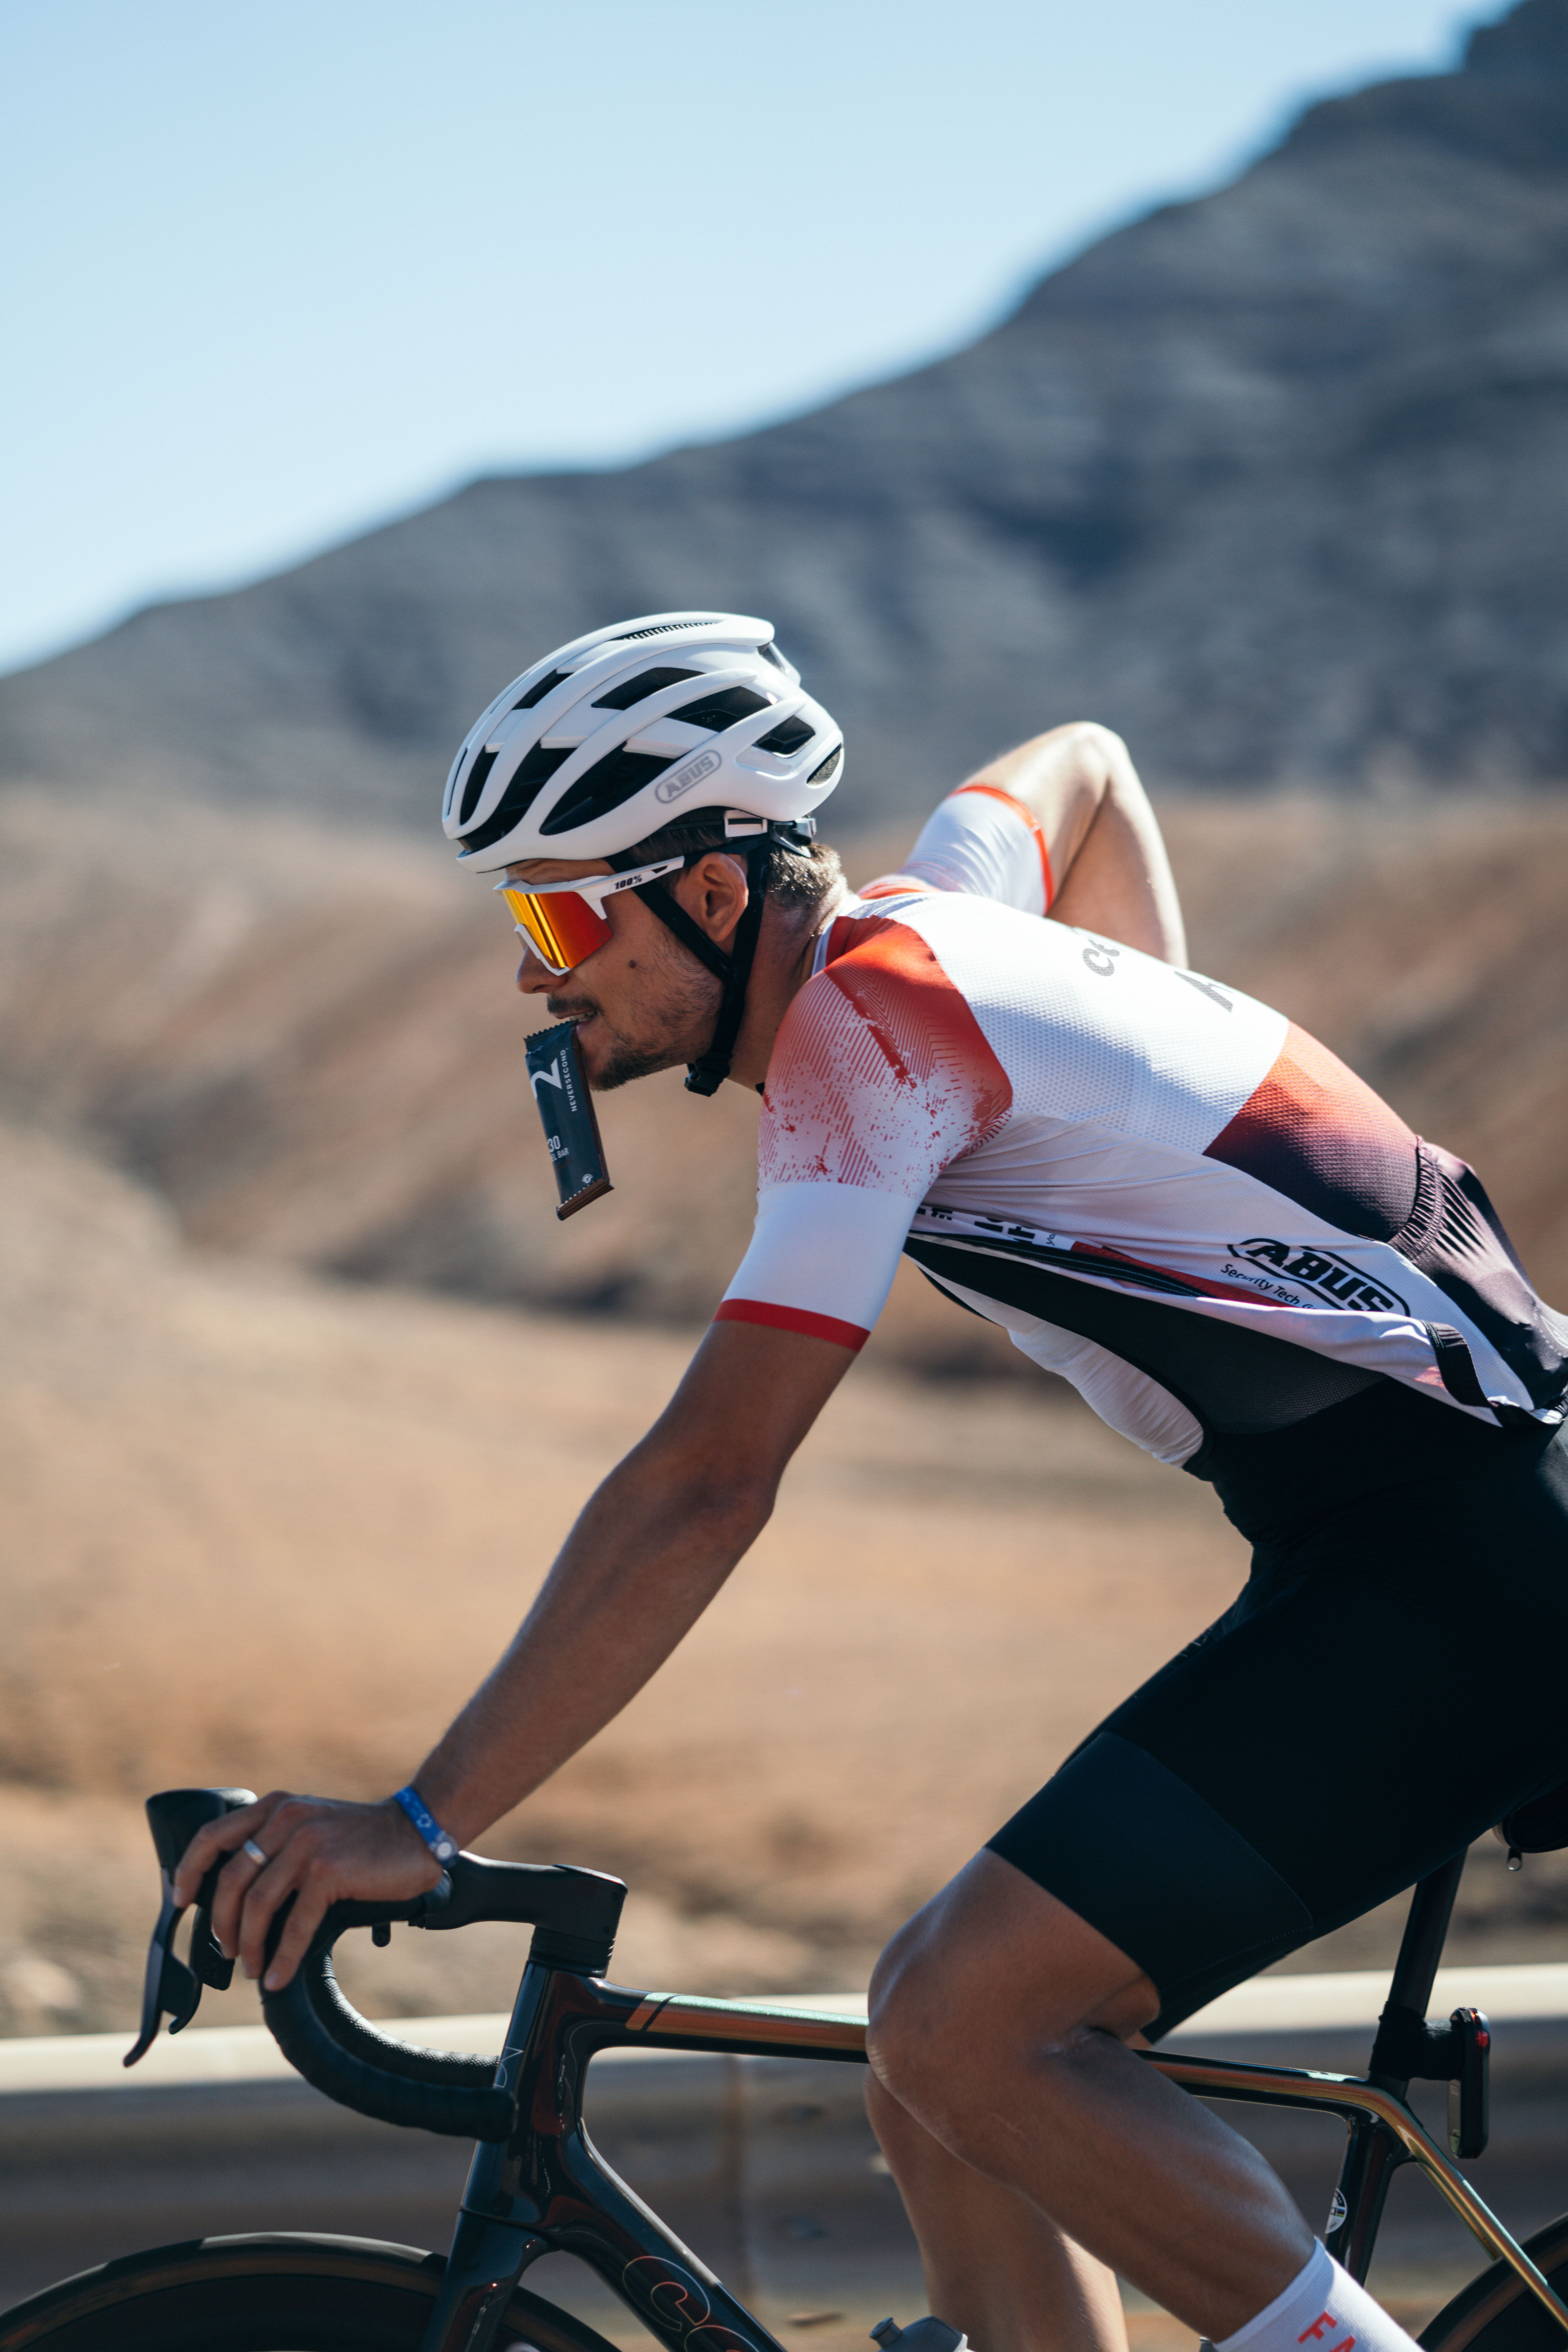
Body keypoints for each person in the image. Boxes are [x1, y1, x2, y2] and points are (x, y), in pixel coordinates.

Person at [178, 612, 1568, 2352]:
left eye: (558, 915)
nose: (536, 977)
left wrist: (424, 1820)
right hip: (1419, 1534)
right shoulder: (946, 918)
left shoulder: (869, 1041)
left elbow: (706, 1484)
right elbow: (1086, 764)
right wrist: (1165, 1045)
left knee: (970, 2028)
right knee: (938, 2077)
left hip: (1467, 1558)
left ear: (704, 889)